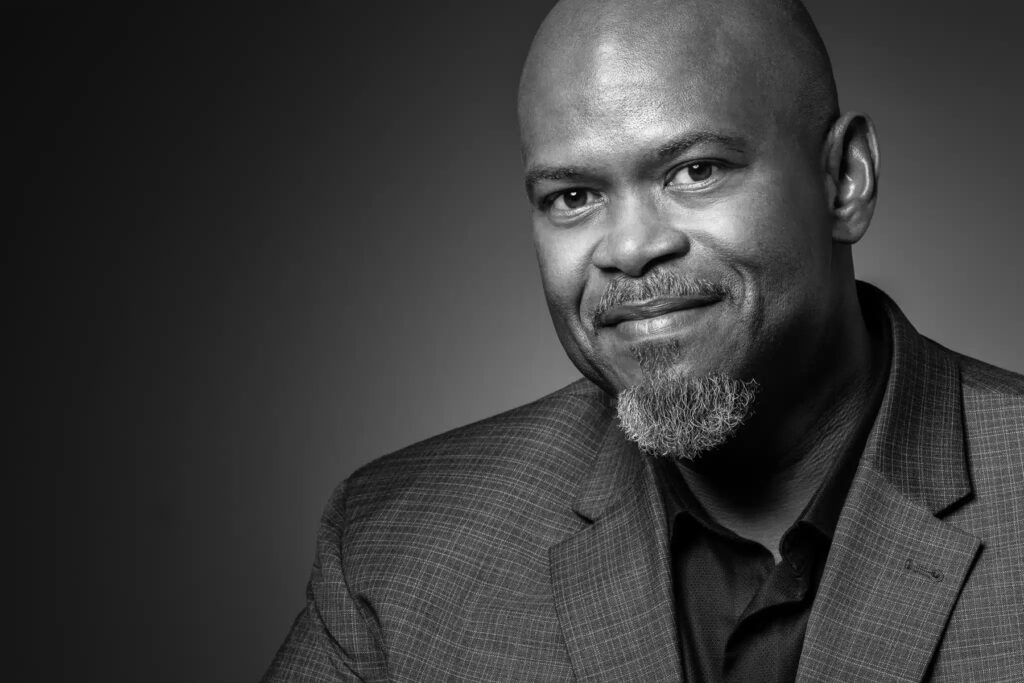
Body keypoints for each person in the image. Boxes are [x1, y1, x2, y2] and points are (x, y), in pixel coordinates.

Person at [263, 0, 1023, 680]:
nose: (628, 247)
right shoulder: (399, 552)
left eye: (695, 170)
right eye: (574, 196)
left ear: (844, 179)